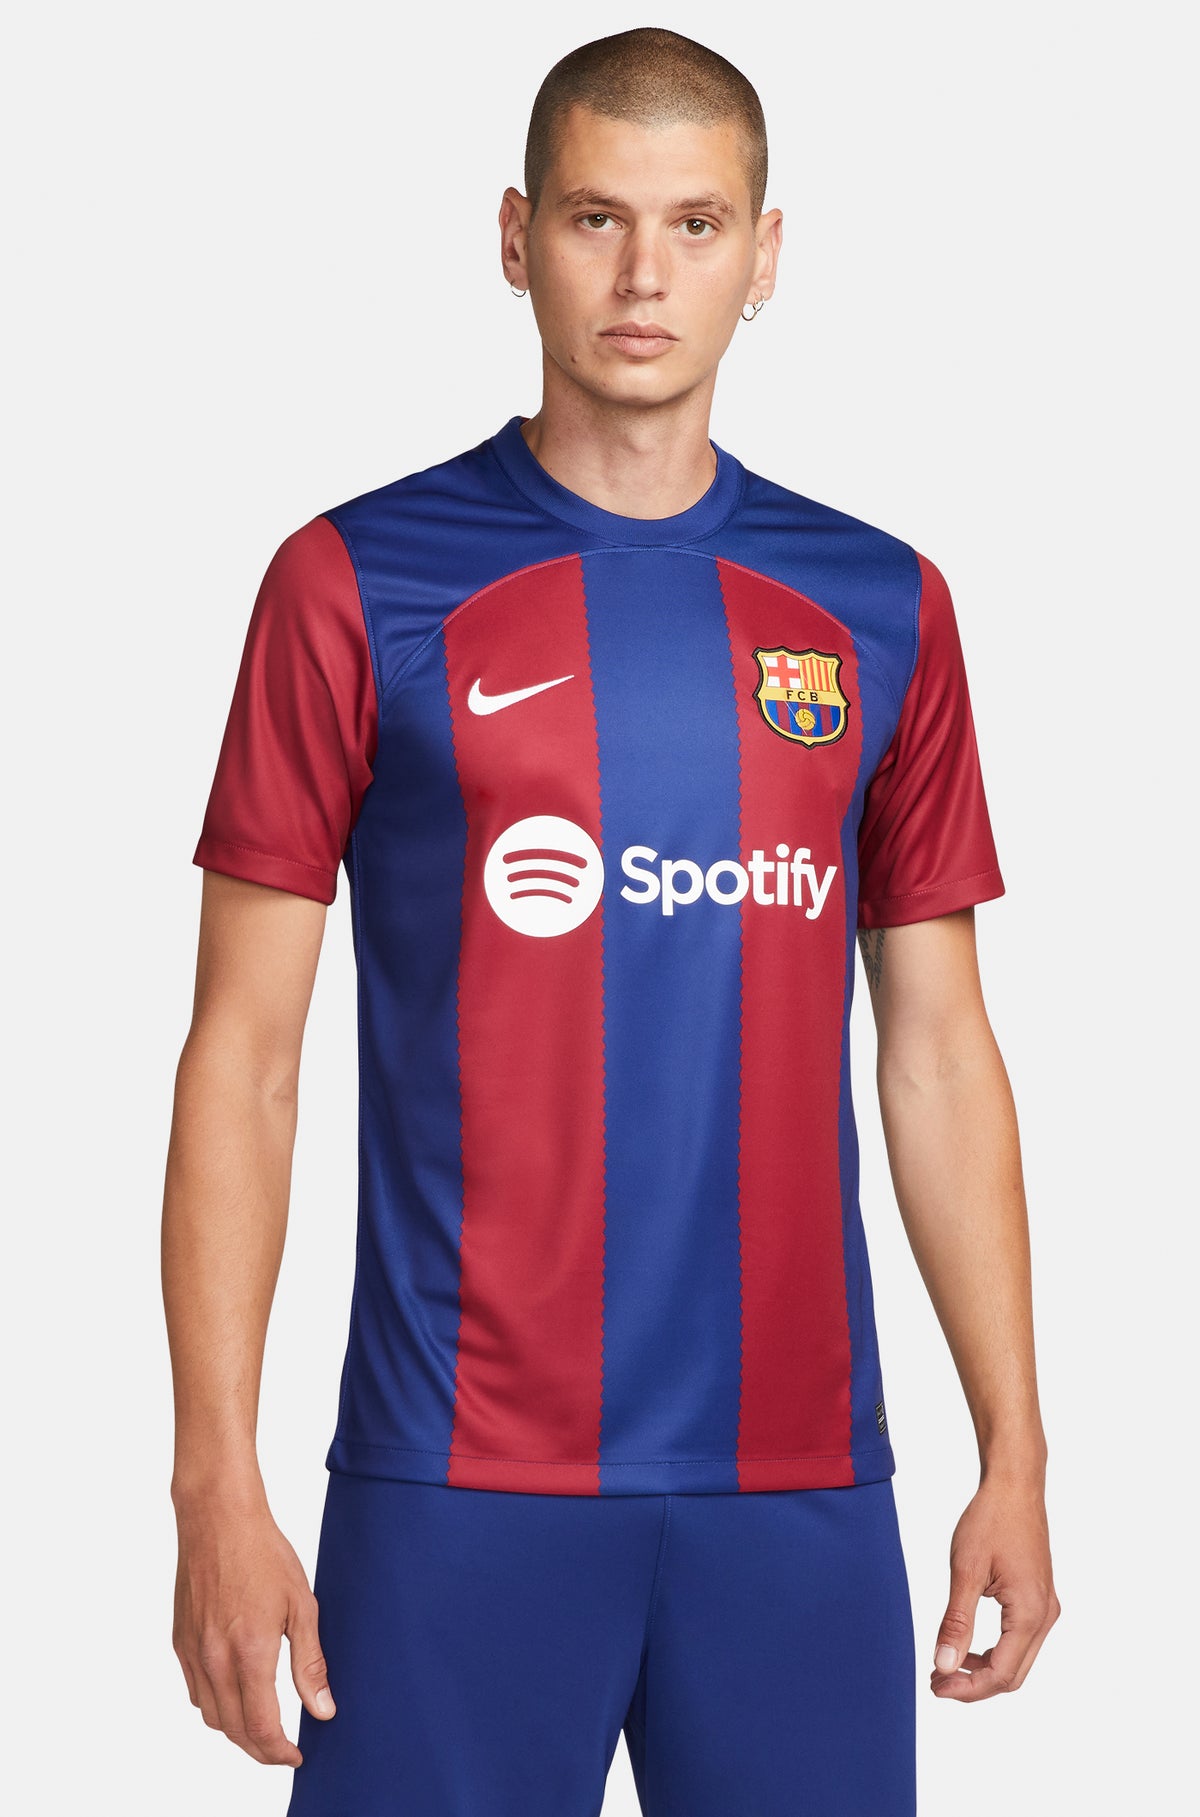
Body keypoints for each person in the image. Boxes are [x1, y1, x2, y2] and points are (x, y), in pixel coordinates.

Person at [163, 26, 1059, 1816]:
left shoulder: (879, 606)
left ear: (765, 253)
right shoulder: (354, 583)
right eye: (596, 218)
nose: (645, 274)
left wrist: (1015, 1447)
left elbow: (940, 1050)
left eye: (696, 224)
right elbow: (243, 1055)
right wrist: (214, 1483)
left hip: (798, 1491)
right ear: (516, 237)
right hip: (454, 1482)